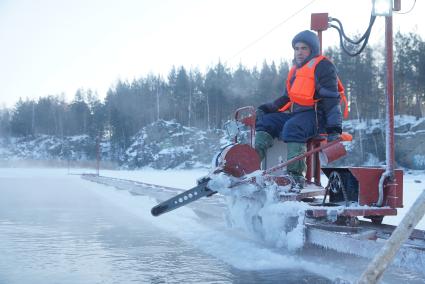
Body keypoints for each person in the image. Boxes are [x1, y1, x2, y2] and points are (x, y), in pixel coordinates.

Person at [255, 30, 345, 190]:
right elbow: (286, 98)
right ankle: (252, 167)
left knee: (293, 127)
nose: (299, 52)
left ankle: (295, 177)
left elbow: (332, 101)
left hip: (317, 117)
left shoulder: (323, 67)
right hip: (296, 114)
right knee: (266, 122)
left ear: (313, 50)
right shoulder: (295, 70)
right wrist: (265, 109)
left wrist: (335, 130)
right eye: (296, 48)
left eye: (304, 48)